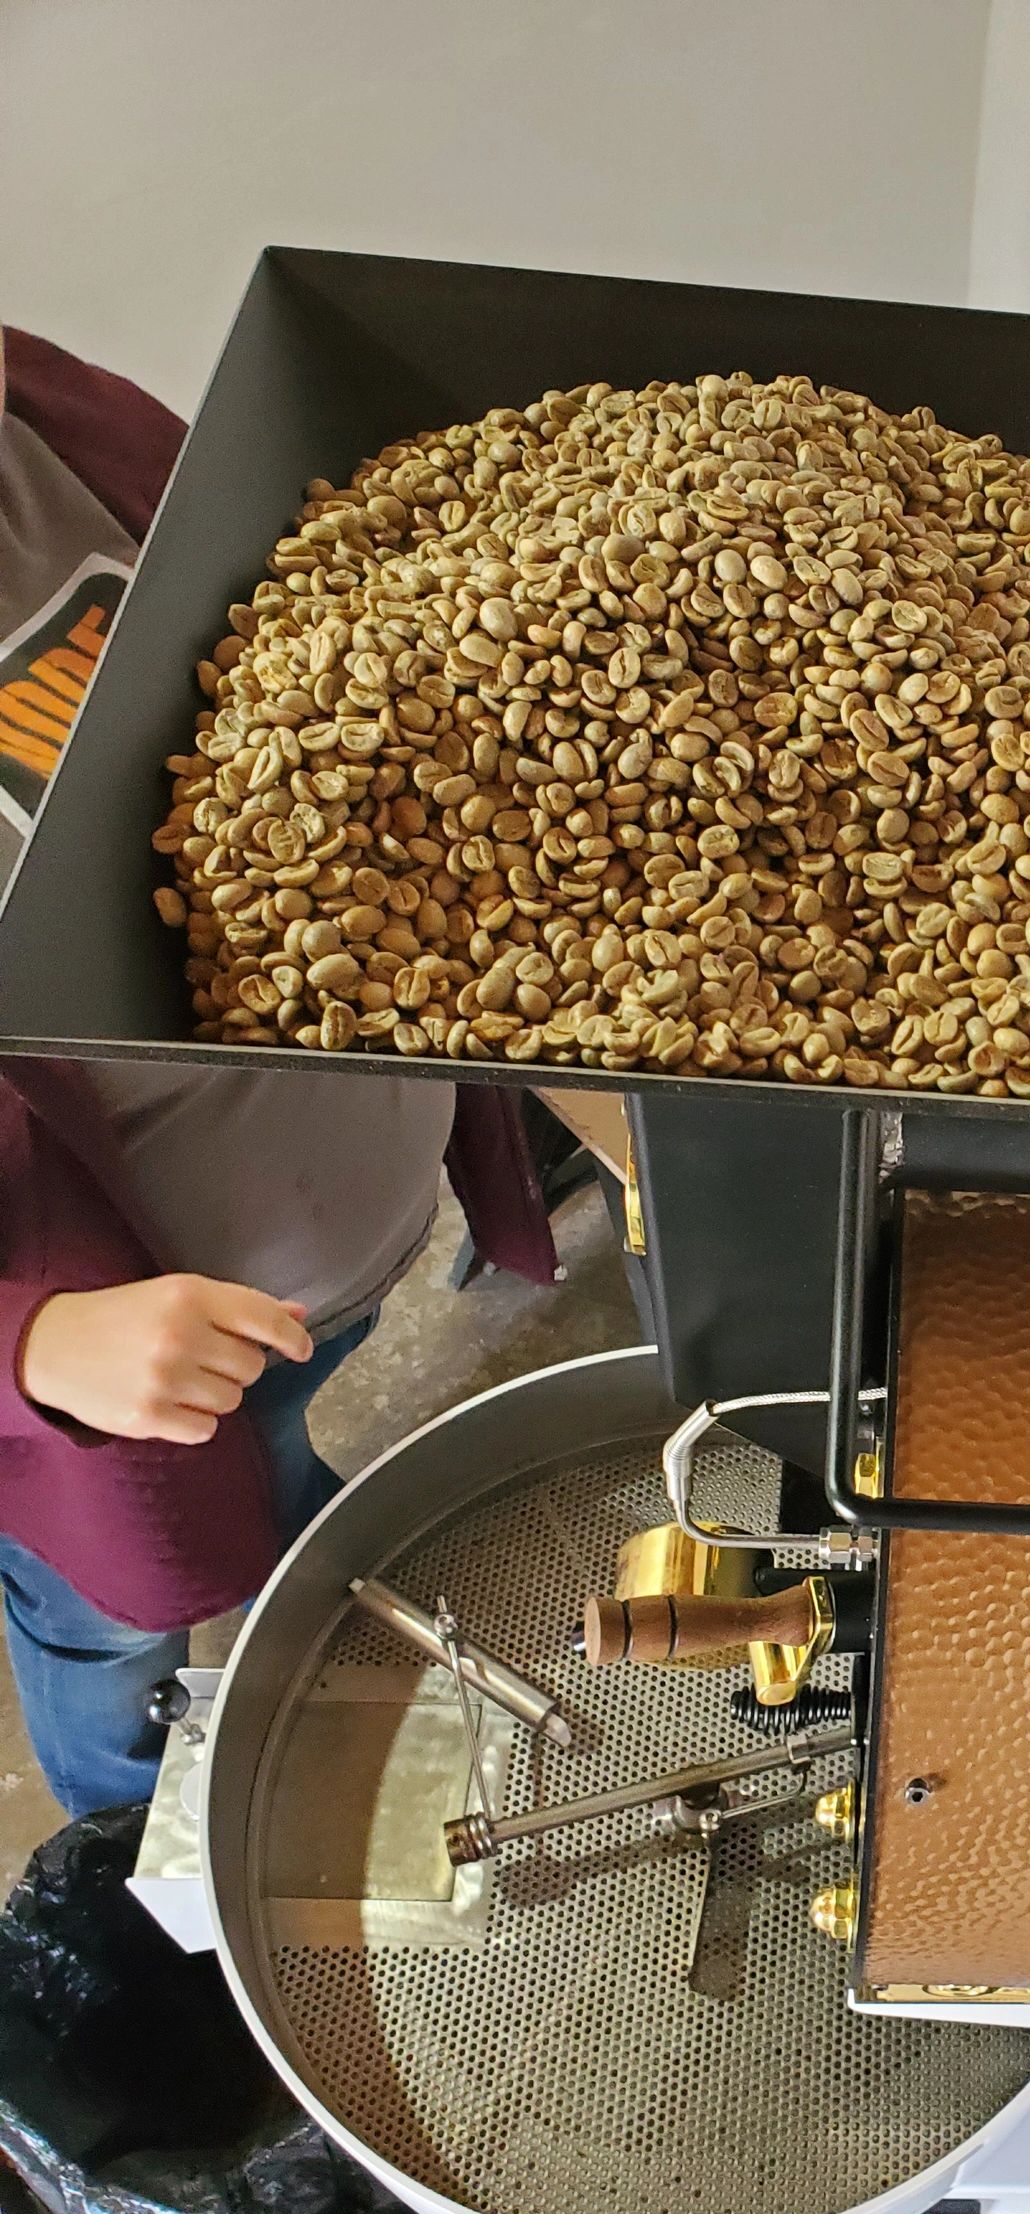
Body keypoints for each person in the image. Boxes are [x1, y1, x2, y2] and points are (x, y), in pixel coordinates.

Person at [0, 325, 557, 1818]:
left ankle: (279, 1551)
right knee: (113, 1630)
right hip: (98, 1406)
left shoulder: (42, 416)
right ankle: (113, 1818)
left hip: (325, 1249)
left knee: (282, 1472)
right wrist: (31, 1354)